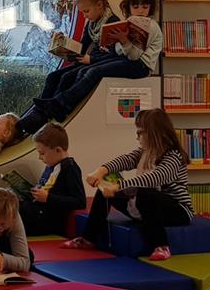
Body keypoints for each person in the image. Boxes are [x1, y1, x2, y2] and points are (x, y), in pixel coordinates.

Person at [21, 0, 163, 128]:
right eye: (136, 7)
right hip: (124, 60)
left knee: (89, 72)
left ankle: (57, 107)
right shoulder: (113, 24)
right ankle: (43, 112)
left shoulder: (147, 26)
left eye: (145, 7)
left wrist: (122, 41)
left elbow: (131, 56)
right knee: (58, 76)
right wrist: (64, 44)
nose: (140, 11)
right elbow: (92, 47)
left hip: (140, 65)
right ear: (129, 7)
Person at [61, 108, 193, 261]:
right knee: (104, 191)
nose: (137, 137)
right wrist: (100, 172)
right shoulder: (145, 151)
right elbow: (125, 160)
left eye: (140, 132)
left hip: (178, 210)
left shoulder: (173, 156)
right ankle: (88, 238)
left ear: (154, 133)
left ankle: (161, 245)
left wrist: (118, 185)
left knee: (145, 192)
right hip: (148, 207)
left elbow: (155, 178)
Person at [18, 0, 120, 135]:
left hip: (97, 62)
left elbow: (114, 54)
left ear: (99, 6)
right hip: (87, 59)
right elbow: (83, 46)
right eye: (82, 12)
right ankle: (39, 113)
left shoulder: (113, 22)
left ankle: (49, 113)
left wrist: (90, 58)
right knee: (53, 76)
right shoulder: (92, 23)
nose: (85, 16)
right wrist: (65, 45)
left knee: (66, 77)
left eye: (86, 11)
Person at [18, 122, 86, 236]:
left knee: (14, 209)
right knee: (9, 200)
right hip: (38, 212)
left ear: (58, 150)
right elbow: (45, 187)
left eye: (42, 153)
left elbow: (79, 202)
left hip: (49, 220)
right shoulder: (50, 166)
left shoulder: (70, 168)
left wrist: (48, 198)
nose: (40, 157)